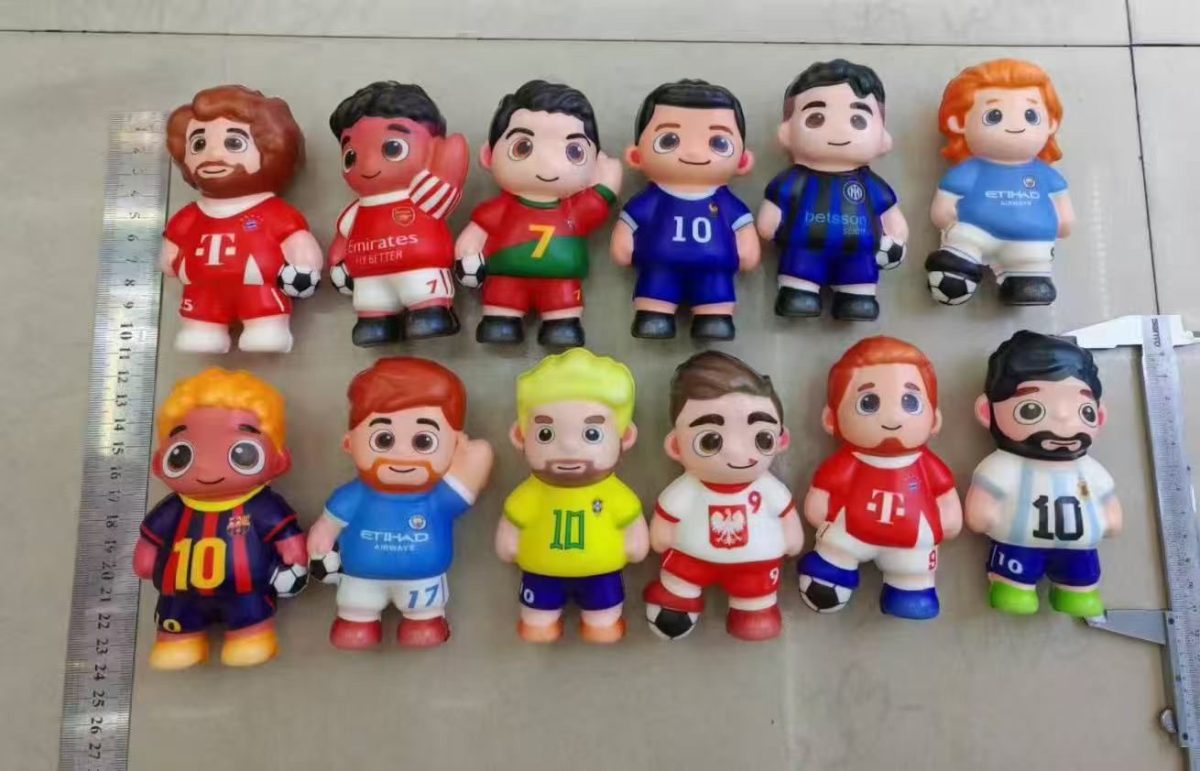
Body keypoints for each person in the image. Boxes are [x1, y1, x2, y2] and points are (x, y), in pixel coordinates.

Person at [307, 358, 494, 649]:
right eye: (383, 440)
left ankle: (425, 621)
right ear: (349, 444)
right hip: (360, 576)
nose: (403, 454)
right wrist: (322, 534)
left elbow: (476, 464)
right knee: (357, 605)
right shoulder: (354, 495)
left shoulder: (437, 498)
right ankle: (356, 620)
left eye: (423, 442)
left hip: (423, 579)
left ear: (453, 446)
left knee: (424, 612)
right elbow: (329, 523)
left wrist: (472, 453)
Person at [134, 369, 307, 669]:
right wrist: (146, 558)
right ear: (160, 463)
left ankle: (250, 637)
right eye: (182, 454)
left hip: (246, 593)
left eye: (242, 452)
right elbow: (148, 548)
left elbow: (286, 537)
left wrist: (295, 555)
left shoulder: (262, 506)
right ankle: (178, 640)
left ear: (279, 460)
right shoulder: (173, 509)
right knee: (177, 620)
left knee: (249, 618)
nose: (208, 466)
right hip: (180, 595)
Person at [798, 337, 961, 620]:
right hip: (849, 532)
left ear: (934, 420)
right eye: (869, 402)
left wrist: (948, 518)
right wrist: (819, 509)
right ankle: (830, 575)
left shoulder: (926, 465)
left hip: (910, 541)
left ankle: (910, 591)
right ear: (831, 419)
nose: (892, 417)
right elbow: (823, 490)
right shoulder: (848, 461)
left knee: (913, 569)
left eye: (910, 402)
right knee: (834, 550)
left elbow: (944, 494)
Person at [644, 351, 802, 641]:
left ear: (781, 440)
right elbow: (666, 520)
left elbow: (786, 514)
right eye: (711, 440)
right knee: (679, 581)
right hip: (691, 556)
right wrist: (661, 536)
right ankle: (676, 606)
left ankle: (754, 612)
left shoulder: (769, 489)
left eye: (761, 438)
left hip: (755, 562)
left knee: (756, 594)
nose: (737, 453)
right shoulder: (687, 489)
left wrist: (791, 537)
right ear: (676, 446)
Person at [965, 331, 1122, 617]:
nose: (1062, 419)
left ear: (1099, 417)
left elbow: (1106, 495)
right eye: (1031, 410)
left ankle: (1078, 592)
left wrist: (1111, 517)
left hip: (1079, 547)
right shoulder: (1004, 465)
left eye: (1084, 411)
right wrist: (983, 514)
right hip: (1018, 543)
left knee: (1081, 578)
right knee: (1014, 582)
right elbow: (984, 497)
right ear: (987, 412)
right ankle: (1013, 588)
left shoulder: (1089, 469)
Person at [455, 80, 622, 347]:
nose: (548, 163)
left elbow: (599, 202)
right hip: (506, 277)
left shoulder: (573, 210)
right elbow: (477, 232)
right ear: (489, 156)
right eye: (523, 147)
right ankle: (500, 321)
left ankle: (562, 325)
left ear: (594, 163)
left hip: (561, 281)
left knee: (562, 306)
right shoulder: (502, 208)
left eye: (574, 151)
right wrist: (467, 252)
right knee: (502, 300)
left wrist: (609, 181)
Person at [496, 349, 648, 643]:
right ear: (520, 437)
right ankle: (540, 622)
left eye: (592, 434)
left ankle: (602, 623)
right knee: (538, 616)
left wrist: (635, 542)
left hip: (601, 572)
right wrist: (509, 541)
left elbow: (632, 525)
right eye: (546, 434)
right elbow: (512, 524)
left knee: (603, 613)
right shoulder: (531, 493)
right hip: (541, 571)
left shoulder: (614, 493)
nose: (568, 447)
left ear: (625, 437)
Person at [163, 85, 322, 353]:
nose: (213, 155)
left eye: (234, 143)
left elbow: (297, 240)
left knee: (263, 317)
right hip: (201, 290)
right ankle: (202, 331)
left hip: (257, 286)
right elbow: (172, 246)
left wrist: (304, 265)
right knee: (200, 320)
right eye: (199, 144)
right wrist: (169, 258)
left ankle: (266, 329)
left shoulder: (273, 211)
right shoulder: (190, 215)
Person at [758, 60, 908, 321]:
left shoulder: (870, 183)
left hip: (858, 253)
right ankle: (798, 293)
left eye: (858, 120)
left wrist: (897, 236)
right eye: (816, 118)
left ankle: (856, 297)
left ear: (883, 138)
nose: (839, 130)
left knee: (858, 278)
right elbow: (772, 211)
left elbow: (890, 213)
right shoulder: (795, 179)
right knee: (800, 272)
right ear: (786, 132)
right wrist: (769, 225)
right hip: (804, 248)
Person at [610, 79, 759, 341]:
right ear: (636, 156)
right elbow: (629, 223)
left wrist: (747, 249)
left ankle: (714, 318)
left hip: (714, 269)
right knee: (657, 289)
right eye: (669, 140)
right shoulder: (651, 200)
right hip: (659, 266)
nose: (693, 152)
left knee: (715, 292)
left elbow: (743, 227)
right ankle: (654, 316)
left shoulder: (726, 202)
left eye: (718, 142)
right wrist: (623, 244)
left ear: (743, 161)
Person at [328, 82, 469, 345]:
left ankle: (430, 313)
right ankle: (375, 323)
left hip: (420, 270)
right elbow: (342, 237)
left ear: (432, 148)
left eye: (392, 148)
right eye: (351, 156)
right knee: (372, 303)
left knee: (423, 297)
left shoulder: (422, 194)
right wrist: (338, 261)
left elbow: (448, 179)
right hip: (369, 277)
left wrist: (447, 158)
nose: (368, 164)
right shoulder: (357, 210)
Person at [925, 59, 1074, 307]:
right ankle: (956, 270)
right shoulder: (970, 170)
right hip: (975, 233)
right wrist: (947, 219)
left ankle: (1027, 282)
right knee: (961, 239)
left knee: (1031, 264)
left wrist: (1064, 222)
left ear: (1051, 123)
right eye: (994, 116)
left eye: (1030, 115)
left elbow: (1063, 210)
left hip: (1030, 242)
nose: (1016, 126)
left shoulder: (1044, 174)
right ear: (959, 123)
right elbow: (943, 208)